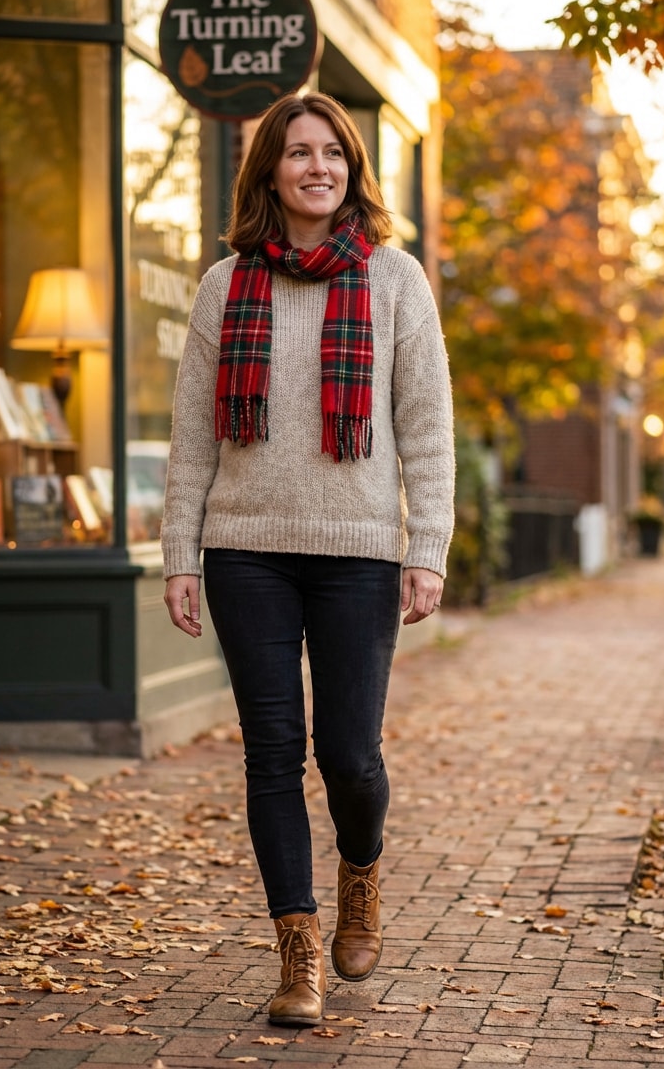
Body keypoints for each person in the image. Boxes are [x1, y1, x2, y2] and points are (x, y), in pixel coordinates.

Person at [162, 91, 454, 1027]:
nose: (316, 167)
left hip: (359, 551)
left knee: (351, 757)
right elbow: (192, 440)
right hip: (245, 547)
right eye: (297, 154)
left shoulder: (396, 280)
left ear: (352, 168)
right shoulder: (223, 286)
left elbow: (426, 428)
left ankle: (361, 873)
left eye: (332, 152)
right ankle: (298, 957)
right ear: (270, 173)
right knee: (272, 756)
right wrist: (179, 554)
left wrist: (428, 547)